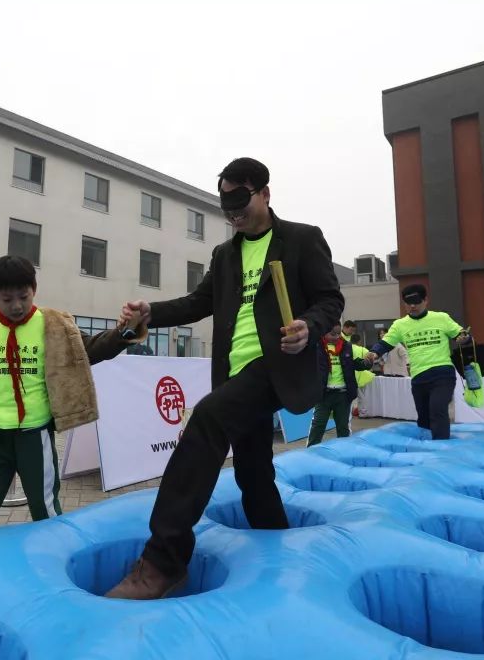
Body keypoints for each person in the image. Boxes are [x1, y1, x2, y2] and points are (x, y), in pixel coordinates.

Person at [105, 157, 344, 600]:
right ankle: (277, 544)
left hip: (279, 364)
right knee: (253, 473)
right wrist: (151, 312)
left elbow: (331, 300)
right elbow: (198, 303)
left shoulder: (301, 239)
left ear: (265, 193)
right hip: (235, 373)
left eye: (240, 202)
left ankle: (163, 561)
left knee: (208, 418)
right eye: (226, 206)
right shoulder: (225, 254)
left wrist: (308, 326)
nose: (233, 214)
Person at [0, 256, 143, 535]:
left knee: (45, 507)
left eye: (23, 296)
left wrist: (125, 332)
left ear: (34, 290)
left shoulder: (54, 325)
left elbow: (91, 348)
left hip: (34, 436)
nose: (17, 305)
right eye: (7, 299)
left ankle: (56, 549)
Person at [365, 284, 469, 440]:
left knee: (437, 409)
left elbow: (462, 334)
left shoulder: (441, 318)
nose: (412, 306)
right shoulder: (400, 325)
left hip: (442, 374)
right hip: (419, 377)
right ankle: (426, 448)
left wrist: (464, 337)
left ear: (426, 300)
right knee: (424, 417)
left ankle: (441, 448)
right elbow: (385, 343)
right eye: (408, 303)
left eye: (416, 301)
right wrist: (374, 352)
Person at [308, 322, 372, 446]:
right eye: (333, 334)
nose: (337, 337)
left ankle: (344, 451)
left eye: (338, 334)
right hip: (323, 395)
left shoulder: (346, 346)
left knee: (343, 427)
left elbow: (353, 363)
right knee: (318, 425)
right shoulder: (317, 346)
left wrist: (366, 363)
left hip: (342, 395)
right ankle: (311, 451)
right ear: (324, 332)